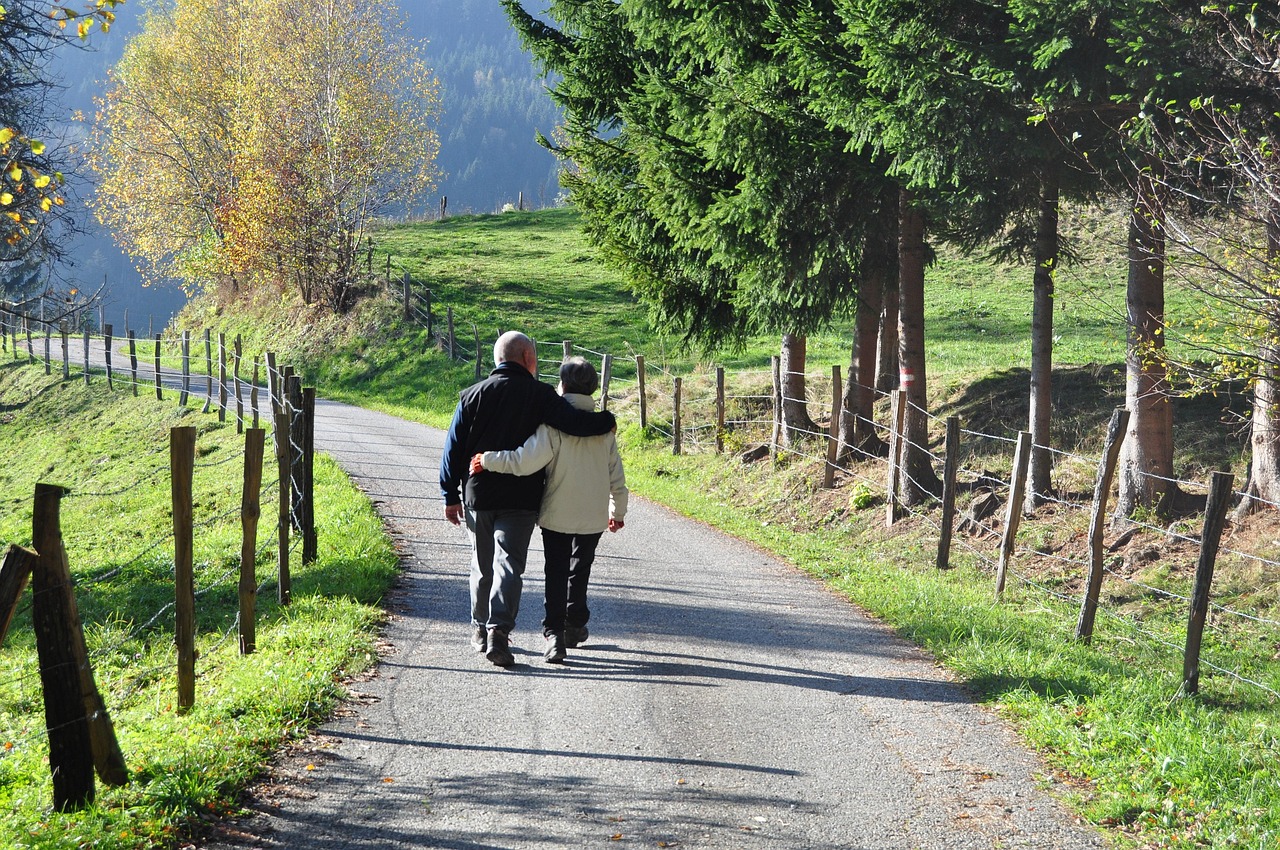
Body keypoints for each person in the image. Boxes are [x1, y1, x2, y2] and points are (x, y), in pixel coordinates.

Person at [439, 332, 615, 668]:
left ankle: (479, 629)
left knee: (481, 564)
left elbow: (453, 449)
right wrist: (607, 421)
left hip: (478, 494)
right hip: (521, 499)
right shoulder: (541, 395)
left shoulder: (470, 396)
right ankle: (499, 632)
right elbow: (575, 424)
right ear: (527, 358)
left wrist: (450, 494)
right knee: (510, 566)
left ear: (498, 359)